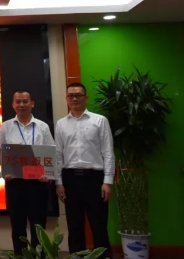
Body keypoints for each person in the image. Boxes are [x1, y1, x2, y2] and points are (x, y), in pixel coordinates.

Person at [55, 83, 114, 258]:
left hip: (95, 179)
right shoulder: (61, 124)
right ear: (66, 99)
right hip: (70, 179)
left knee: (99, 225)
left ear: (86, 98)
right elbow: (58, 155)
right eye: (70, 96)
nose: (74, 98)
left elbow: (108, 152)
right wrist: (59, 183)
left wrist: (108, 182)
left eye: (78, 95)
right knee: (74, 227)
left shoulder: (100, 121)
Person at [0, 91, 55, 253]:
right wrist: (6, 169)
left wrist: (48, 174)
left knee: (38, 227)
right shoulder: (6, 126)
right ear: (13, 105)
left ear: (32, 104)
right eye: (18, 102)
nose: (22, 105)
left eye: (25, 101)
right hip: (15, 183)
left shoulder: (42, 126)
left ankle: (38, 256)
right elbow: (0, 152)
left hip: (38, 184)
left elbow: (50, 152)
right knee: (17, 227)